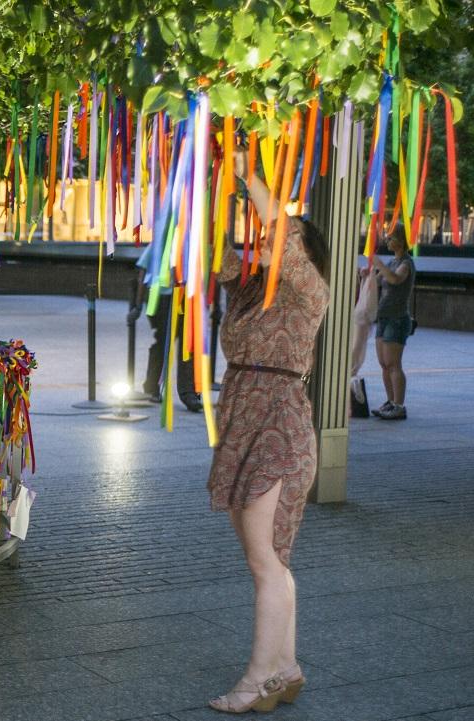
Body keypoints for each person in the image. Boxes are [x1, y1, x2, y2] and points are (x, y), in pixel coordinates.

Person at [205, 152, 330, 713]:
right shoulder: (251, 289)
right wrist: (210, 177)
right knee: (272, 561)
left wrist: (246, 172)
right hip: (240, 419)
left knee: (265, 562)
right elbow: (210, 247)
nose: (265, 237)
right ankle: (286, 666)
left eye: (283, 238)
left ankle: (259, 678)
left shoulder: (311, 292)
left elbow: (279, 227)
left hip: (279, 425)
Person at [135, 245, 202, 412]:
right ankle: (152, 386)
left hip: (185, 298)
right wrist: (138, 303)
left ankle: (189, 393)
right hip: (161, 298)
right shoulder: (158, 241)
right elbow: (142, 271)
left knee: (187, 345)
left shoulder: (190, 242)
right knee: (163, 341)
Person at [370, 227, 415, 420]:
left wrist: (379, 264)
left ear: (401, 241)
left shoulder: (406, 263)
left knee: (393, 363)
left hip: (397, 319)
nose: (388, 241)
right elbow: (379, 280)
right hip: (384, 317)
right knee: (383, 364)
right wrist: (369, 273)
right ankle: (390, 401)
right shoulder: (392, 261)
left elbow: (395, 279)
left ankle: (399, 405)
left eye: (391, 238)